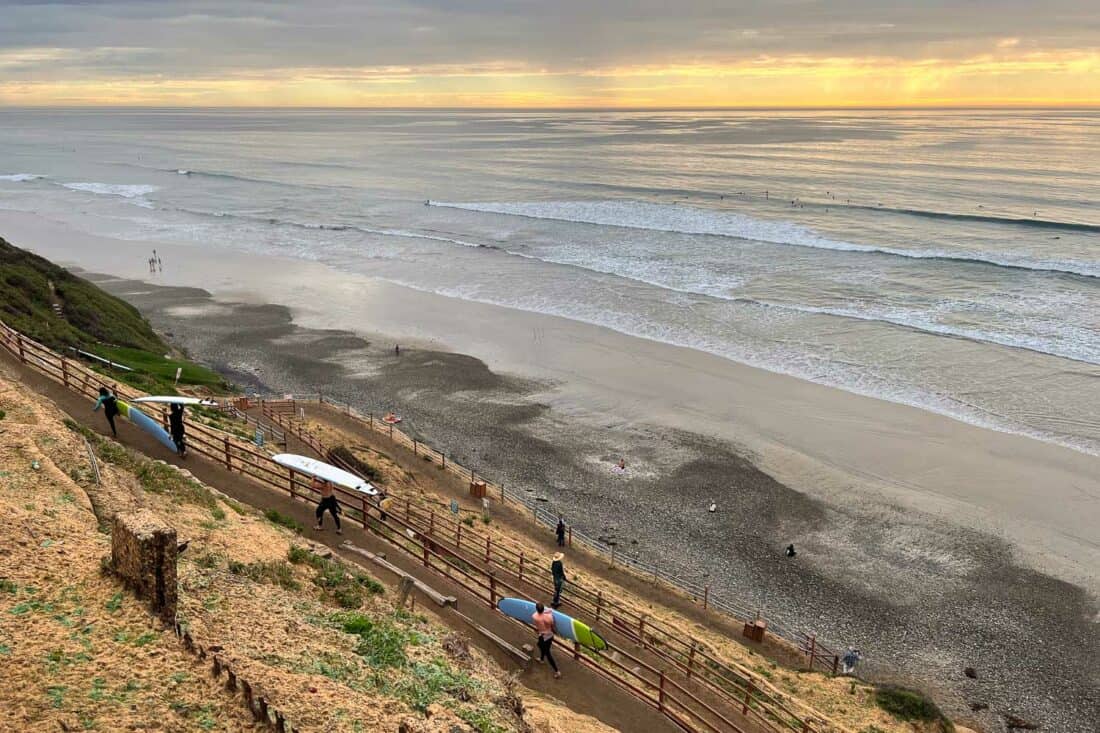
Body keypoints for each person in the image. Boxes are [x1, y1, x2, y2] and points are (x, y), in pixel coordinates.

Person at [532, 602, 560, 678]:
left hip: (544, 636)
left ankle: (557, 671)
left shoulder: (535, 616)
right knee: (539, 645)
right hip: (550, 635)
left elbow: (539, 614)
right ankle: (541, 659)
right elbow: (552, 626)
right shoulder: (549, 617)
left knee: (548, 653)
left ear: (537, 610)